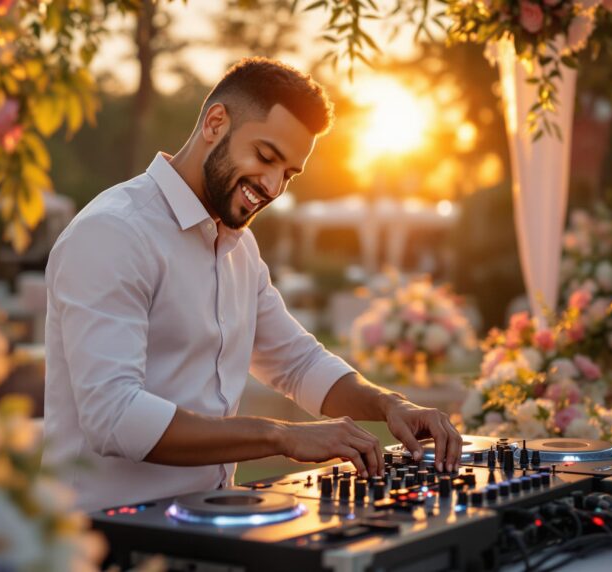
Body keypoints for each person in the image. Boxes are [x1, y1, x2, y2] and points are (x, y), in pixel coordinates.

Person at [42, 57, 463, 511]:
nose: (272, 185)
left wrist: (389, 405)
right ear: (215, 122)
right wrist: (280, 436)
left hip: (202, 525)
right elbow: (115, 418)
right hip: (101, 538)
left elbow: (297, 364)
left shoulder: (239, 247)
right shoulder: (114, 233)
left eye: (288, 173)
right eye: (265, 156)